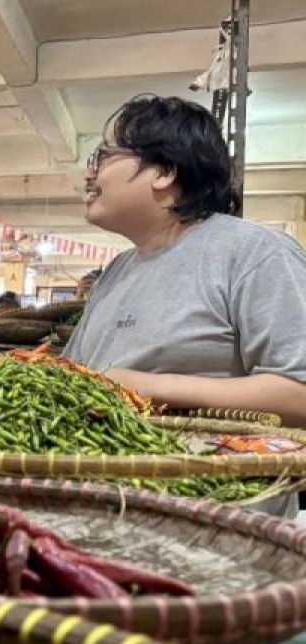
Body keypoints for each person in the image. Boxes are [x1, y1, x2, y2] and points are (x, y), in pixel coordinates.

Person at [68, 94, 306, 428]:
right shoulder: (118, 269)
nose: (89, 174)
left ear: (164, 171)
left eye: (103, 157)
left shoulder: (256, 254)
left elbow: (299, 391)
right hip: (103, 474)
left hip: (206, 474)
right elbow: (77, 375)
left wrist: (145, 386)